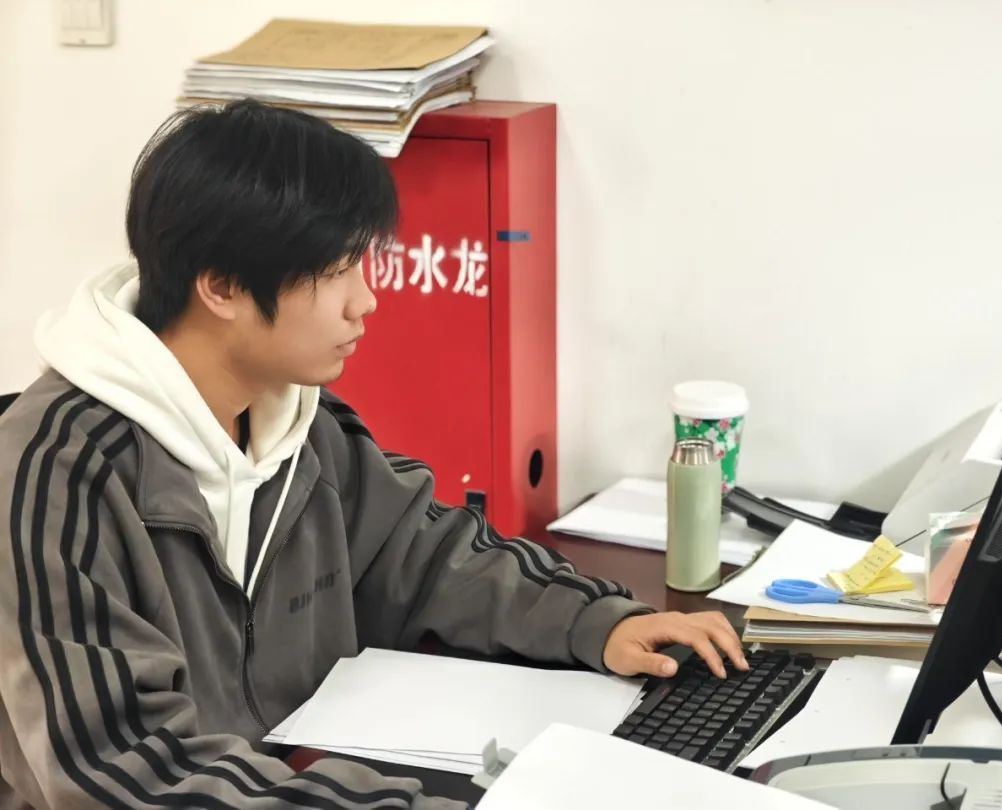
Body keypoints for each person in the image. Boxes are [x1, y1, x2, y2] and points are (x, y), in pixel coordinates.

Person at [0, 99, 746, 809]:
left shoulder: (301, 426)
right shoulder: (52, 477)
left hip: (291, 772)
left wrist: (597, 622)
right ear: (222, 287)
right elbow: (119, 775)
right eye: (335, 272)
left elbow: (430, 552)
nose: (366, 301)